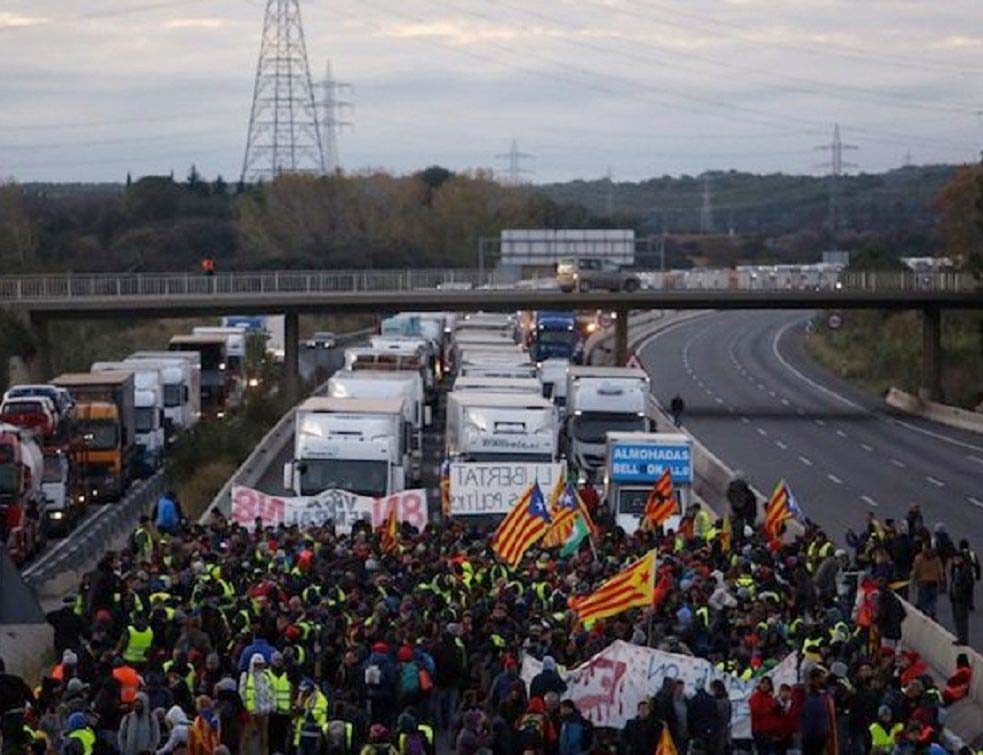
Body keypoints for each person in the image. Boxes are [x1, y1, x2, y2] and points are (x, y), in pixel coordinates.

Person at [239, 654, 274, 755]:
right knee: (247, 737)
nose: (258, 666)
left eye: (260, 664)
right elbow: (242, 693)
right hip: (250, 712)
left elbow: (271, 693)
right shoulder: (246, 676)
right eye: (256, 664)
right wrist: (245, 708)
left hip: (263, 712)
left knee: (264, 737)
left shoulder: (266, 677)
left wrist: (269, 707)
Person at [911, 541, 945, 619]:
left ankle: (925, 614)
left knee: (923, 599)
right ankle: (932, 612)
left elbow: (916, 571)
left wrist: (913, 582)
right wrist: (941, 580)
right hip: (933, 581)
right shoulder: (936, 558)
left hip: (922, 581)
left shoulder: (919, 558)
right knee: (932, 599)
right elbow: (940, 570)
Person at [949, 550, 975, 645]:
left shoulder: (965, 569)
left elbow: (969, 584)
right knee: (957, 619)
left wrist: (961, 592)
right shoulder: (955, 569)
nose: (955, 560)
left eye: (957, 558)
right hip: (955, 598)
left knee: (962, 620)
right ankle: (960, 637)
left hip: (961, 599)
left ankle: (963, 639)